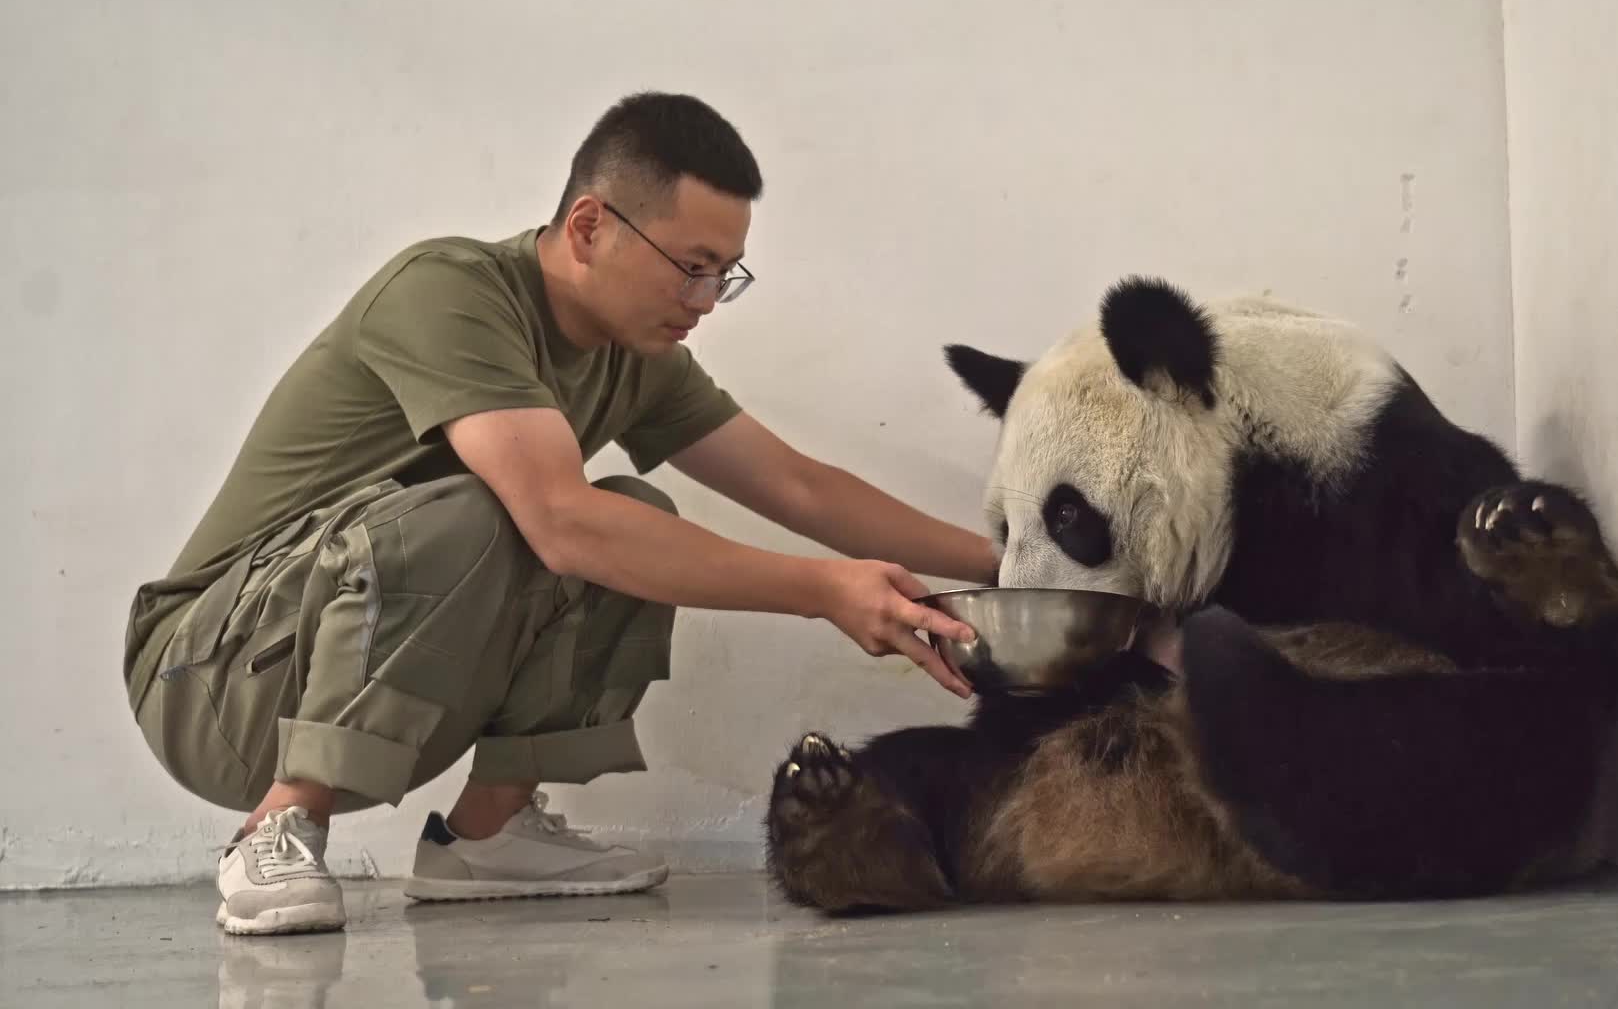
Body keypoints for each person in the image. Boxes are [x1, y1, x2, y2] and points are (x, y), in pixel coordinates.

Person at [121, 91, 997, 936]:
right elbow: (559, 522)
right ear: (589, 228)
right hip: (212, 677)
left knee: (639, 517)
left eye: (722, 276)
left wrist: (1015, 567)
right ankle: (277, 828)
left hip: (328, 665)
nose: (703, 302)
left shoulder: (635, 354)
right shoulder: (448, 291)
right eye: (690, 267)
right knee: (519, 514)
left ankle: (486, 838)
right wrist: (822, 592)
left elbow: (800, 487)